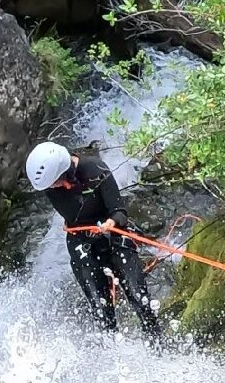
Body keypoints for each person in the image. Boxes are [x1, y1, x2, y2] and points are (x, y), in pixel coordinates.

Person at [26, 141, 161, 338]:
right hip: (81, 240)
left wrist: (111, 223)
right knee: (101, 311)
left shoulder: (95, 169)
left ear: (64, 171)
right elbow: (71, 208)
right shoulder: (51, 186)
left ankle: (157, 346)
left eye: (54, 182)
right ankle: (110, 353)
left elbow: (120, 212)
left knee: (140, 300)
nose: (53, 187)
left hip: (114, 234)